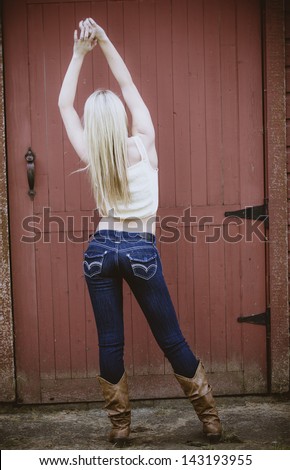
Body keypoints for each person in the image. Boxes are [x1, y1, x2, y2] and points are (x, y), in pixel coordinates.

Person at [58, 18, 222, 444]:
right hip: (139, 249)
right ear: (119, 119)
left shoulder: (91, 153)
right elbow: (127, 85)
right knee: (171, 339)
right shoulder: (143, 142)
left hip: (99, 249)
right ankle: (211, 420)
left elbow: (63, 106)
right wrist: (106, 42)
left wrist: (78, 55)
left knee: (110, 344)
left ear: (95, 127)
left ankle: (120, 428)